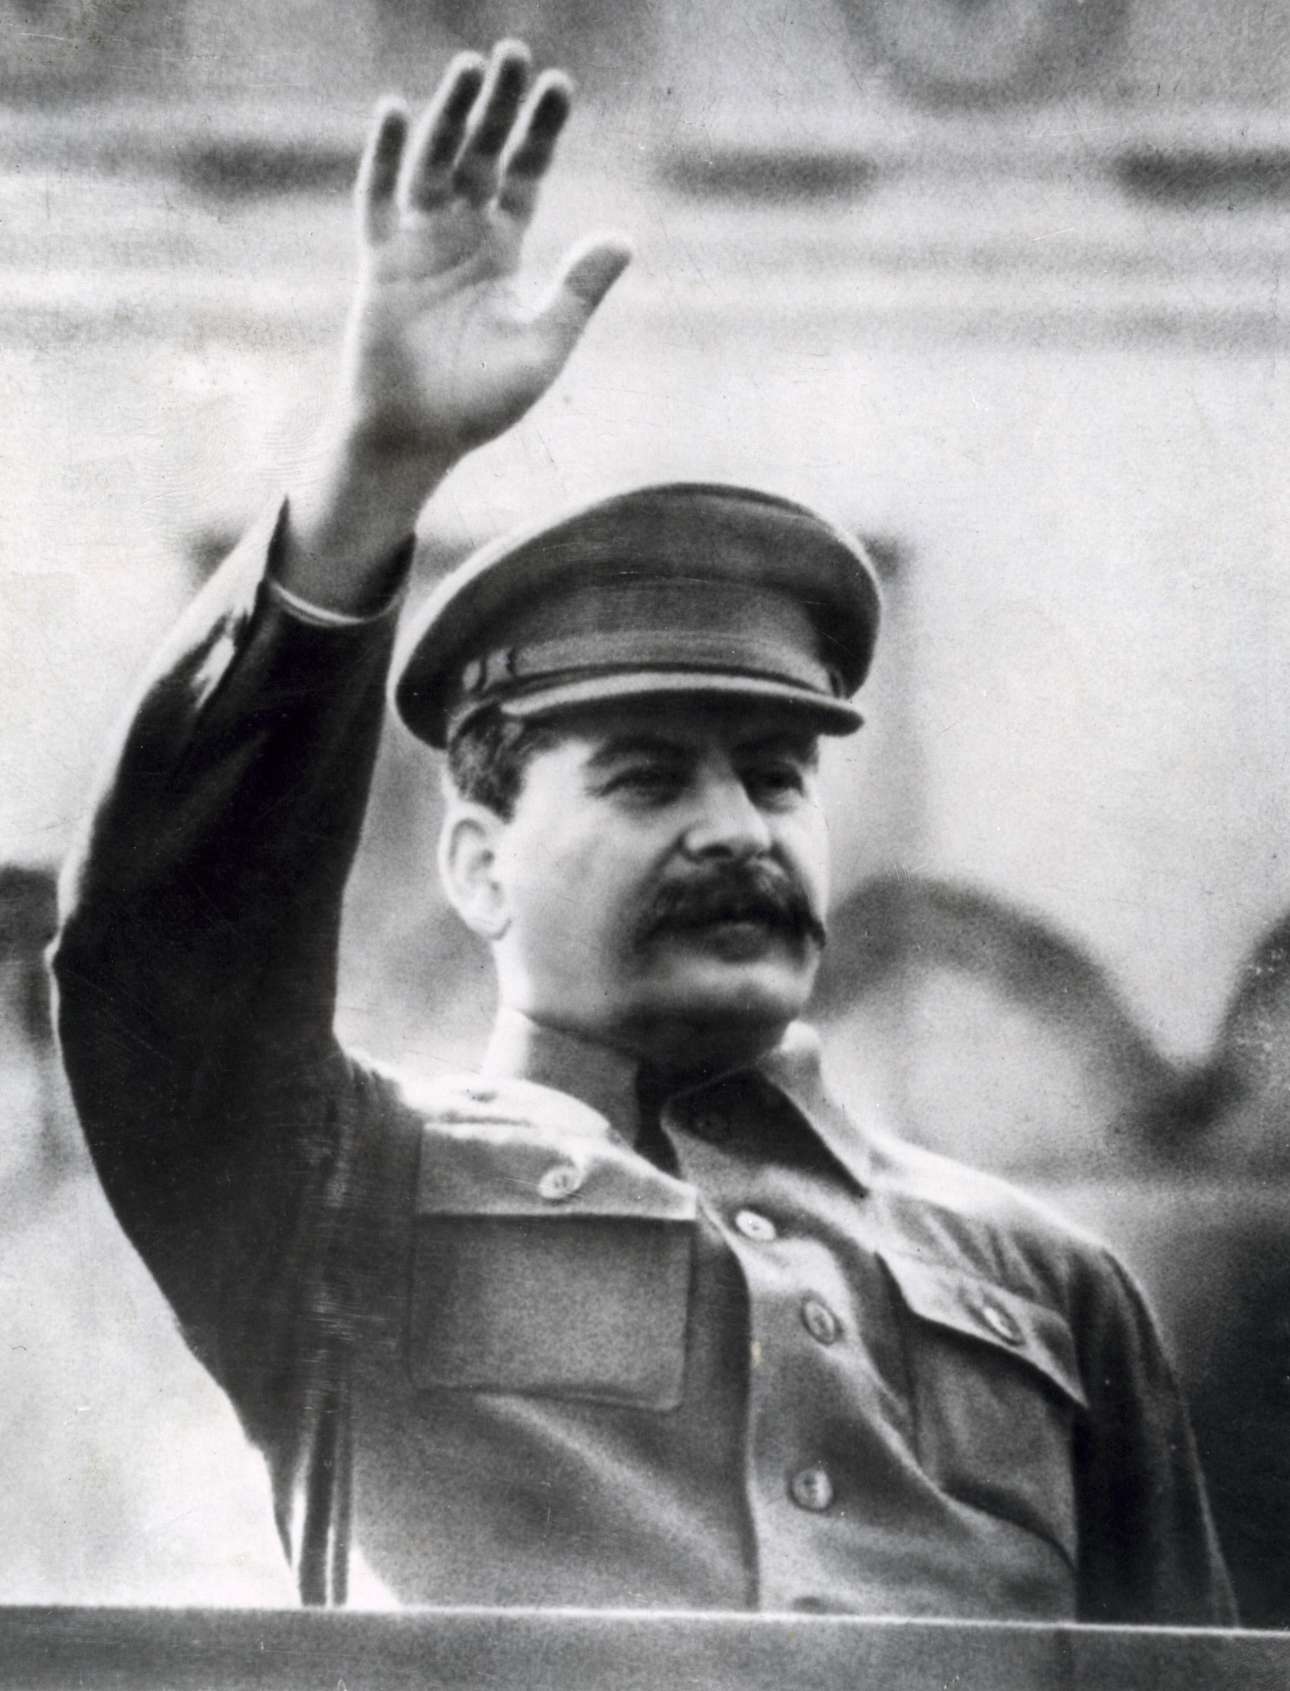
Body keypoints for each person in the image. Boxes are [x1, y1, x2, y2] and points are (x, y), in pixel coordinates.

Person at [52, 40, 1235, 1621]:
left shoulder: (1051, 1283)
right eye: (646, 778)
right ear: (477, 864)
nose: (733, 828)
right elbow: (162, 953)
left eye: (775, 775)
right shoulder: (336, 1195)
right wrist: (374, 472)